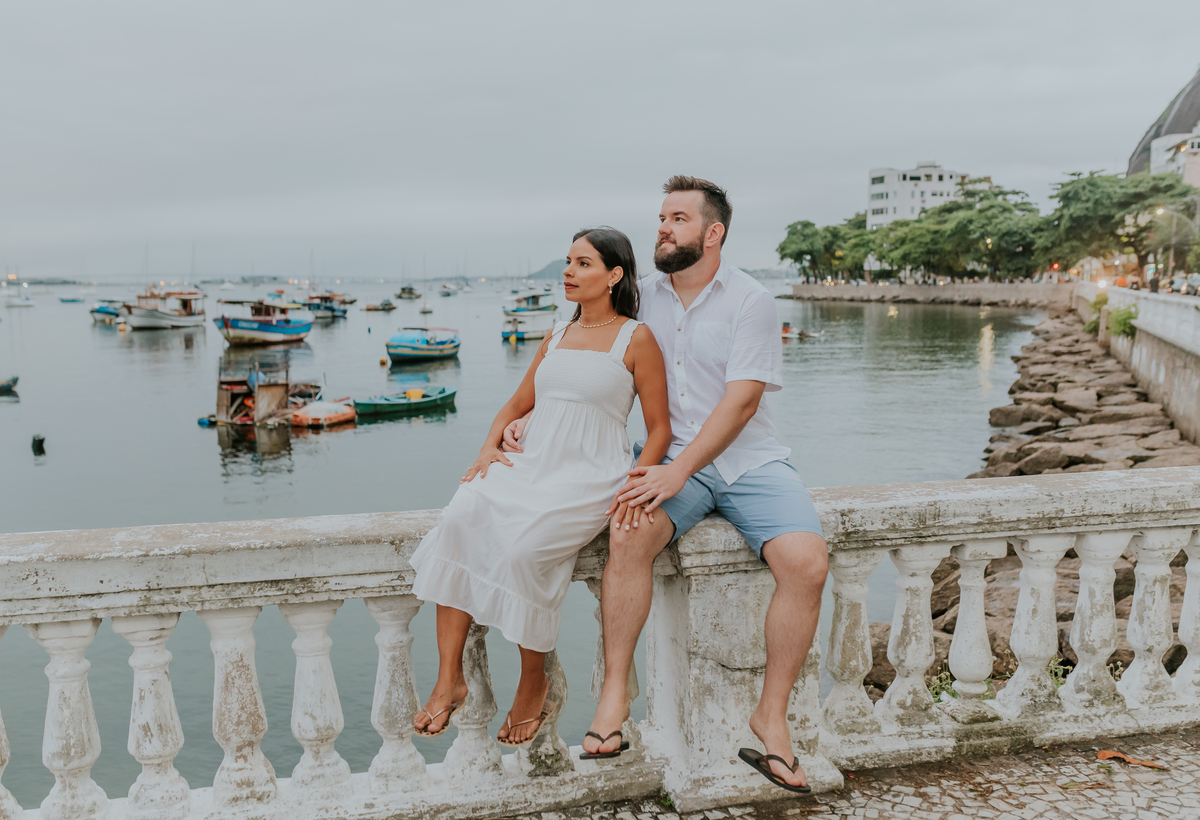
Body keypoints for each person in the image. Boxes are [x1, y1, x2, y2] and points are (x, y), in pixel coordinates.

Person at [504, 176, 827, 792]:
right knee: (628, 536)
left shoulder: (751, 300)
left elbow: (741, 403)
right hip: (663, 459)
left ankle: (772, 718)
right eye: (660, 218)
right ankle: (614, 701)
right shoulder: (640, 296)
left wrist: (681, 469)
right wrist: (525, 422)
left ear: (713, 233)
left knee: (807, 562)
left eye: (677, 219)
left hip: (749, 459)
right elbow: (577, 357)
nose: (662, 228)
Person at [409, 227, 671, 748]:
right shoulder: (555, 334)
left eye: (583, 263)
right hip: (532, 463)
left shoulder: (635, 338)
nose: (569, 272)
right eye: (568, 263)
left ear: (615, 275)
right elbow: (516, 406)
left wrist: (643, 480)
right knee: (460, 519)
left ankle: (534, 679)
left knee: (527, 552)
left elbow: (660, 427)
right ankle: (448, 678)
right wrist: (489, 448)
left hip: (591, 474)